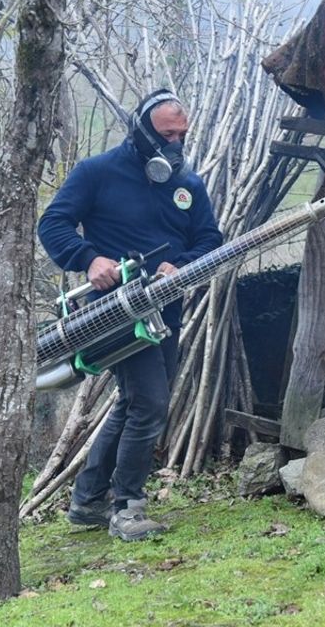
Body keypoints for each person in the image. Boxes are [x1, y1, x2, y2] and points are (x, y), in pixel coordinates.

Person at [38, 89, 222, 541]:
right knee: (151, 403)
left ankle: (87, 501)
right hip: (116, 311)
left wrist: (180, 265)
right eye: (166, 134)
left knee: (135, 402)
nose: (175, 144)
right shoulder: (96, 173)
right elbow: (53, 224)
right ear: (140, 130)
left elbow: (210, 241)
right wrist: (89, 258)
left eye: (182, 135)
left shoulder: (187, 185)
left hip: (167, 308)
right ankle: (128, 508)